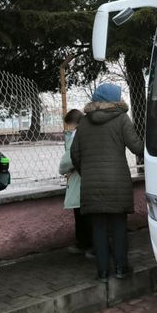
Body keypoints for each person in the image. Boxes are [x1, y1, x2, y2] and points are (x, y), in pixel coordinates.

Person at [71, 83, 144, 282]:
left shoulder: (84, 123)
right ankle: (121, 268)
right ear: (114, 100)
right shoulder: (121, 118)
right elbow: (137, 147)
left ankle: (102, 272)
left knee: (99, 229)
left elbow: (74, 154)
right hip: (117, 183)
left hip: (92, 185)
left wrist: (85, 173)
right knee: (119, 227)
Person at [60, 109, 92, 256]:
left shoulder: (75, 135)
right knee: (86, 215)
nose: (67, 129)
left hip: (79, 179)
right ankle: (88, 245)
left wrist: (62, 169)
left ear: (73, 123)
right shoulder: (91, 131)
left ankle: (84, 244)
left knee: (81, 215)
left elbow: (69, 159)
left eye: (68, 125)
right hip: (90, 178)